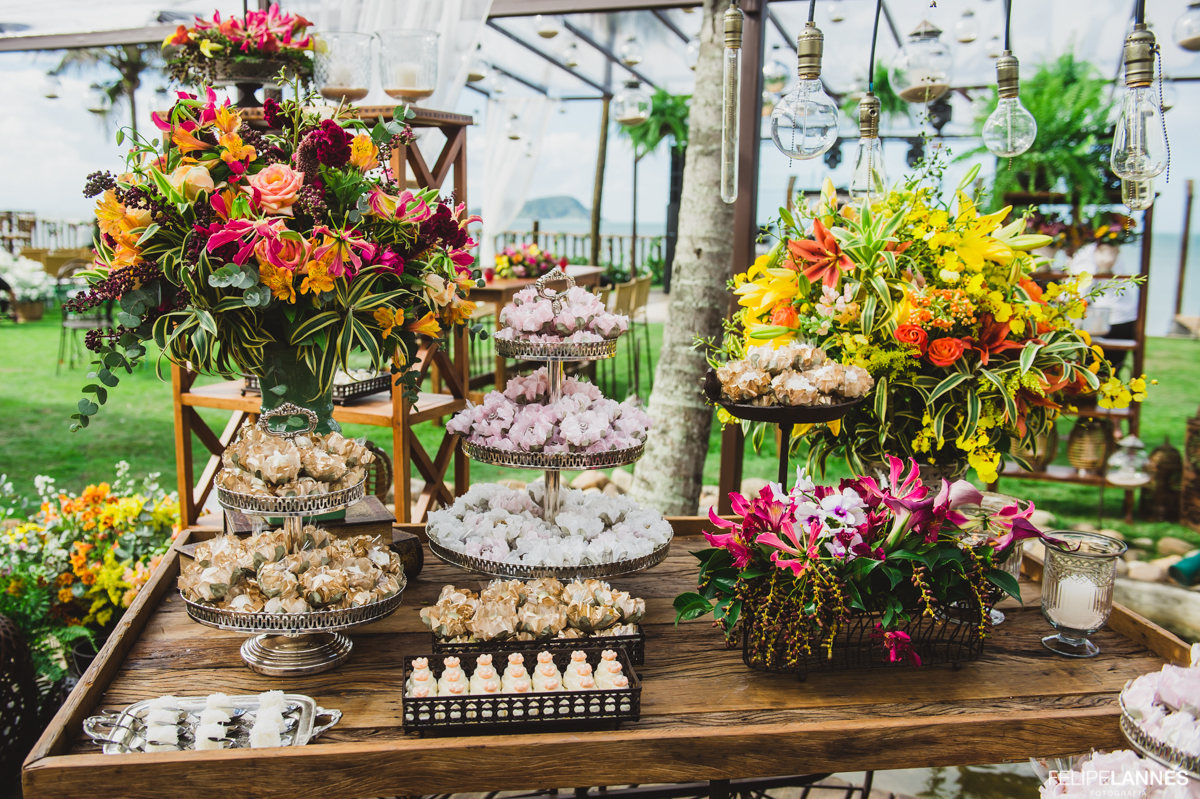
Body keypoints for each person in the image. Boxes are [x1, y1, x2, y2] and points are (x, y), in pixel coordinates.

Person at [1068, 241, 1139, 372]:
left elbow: (1079, 291)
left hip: (1100, 321)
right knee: (1113, 370)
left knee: (1089, 370)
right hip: (1126, 316)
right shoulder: (1113, 249)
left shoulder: (1088, 253)